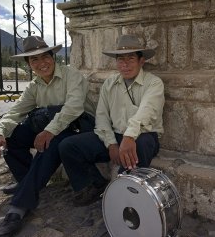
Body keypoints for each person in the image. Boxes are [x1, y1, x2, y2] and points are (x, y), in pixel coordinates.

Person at [0, 35, 96, 237]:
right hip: (53, 126)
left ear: (53, 57)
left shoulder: (72, 75)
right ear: (29, 64)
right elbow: (14, 112)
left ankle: (18, 209)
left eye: (45, 56)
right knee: (12, 136)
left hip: (79, 128)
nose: (41, 63)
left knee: (49, 145)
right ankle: (28, 181)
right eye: (34, 60)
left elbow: (74, 108)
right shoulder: (34, 86)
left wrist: (49, 131)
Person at [58, 34, 164, 206]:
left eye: (130, 58)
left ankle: (124, 197)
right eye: (120, 59)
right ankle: (94, 184)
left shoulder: (154, 83)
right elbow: (101, 117)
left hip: (142, 135)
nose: (125, 64)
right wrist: (111, 144)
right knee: (68, 146)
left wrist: (129, 137)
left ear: (141, 61)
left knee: (141, 146)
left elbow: (147, 111)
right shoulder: (109, 84)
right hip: (115, 135)